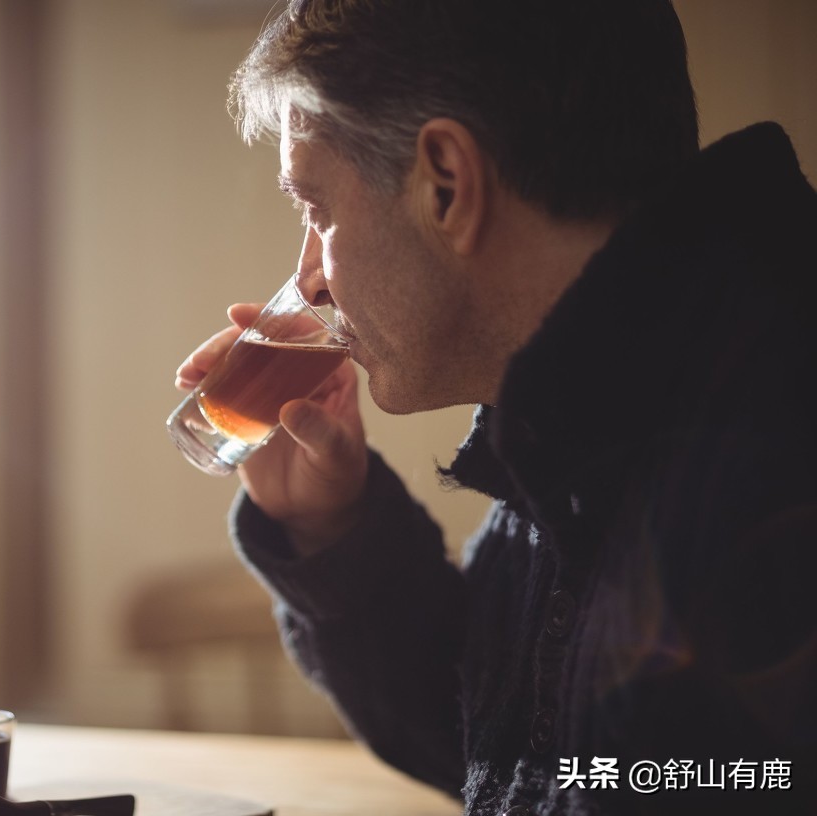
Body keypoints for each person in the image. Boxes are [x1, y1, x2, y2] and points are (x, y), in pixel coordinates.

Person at [174, 1, 816, 814]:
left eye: (316, 209)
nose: (310, 278)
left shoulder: (775, 436)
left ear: (447, 184)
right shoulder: (595, 395)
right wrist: (335, 528)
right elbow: (516, 746)